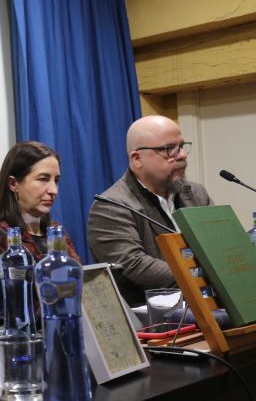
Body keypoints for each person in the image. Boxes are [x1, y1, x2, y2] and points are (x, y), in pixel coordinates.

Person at [87, 115, 213, 306]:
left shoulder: (196, 193)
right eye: (169, 149)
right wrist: (203, 276)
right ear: (138, 159)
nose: (182, 155)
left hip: (213, 307)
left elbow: (217, 245)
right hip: (155, 324)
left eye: (182, 146)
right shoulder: (110, 206)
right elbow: (133, 264)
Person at [0, 141, 80, 261]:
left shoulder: (57, 231)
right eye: (43, 179)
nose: (53, 190)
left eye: (56, 180)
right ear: (13, 184)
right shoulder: (1, 234)